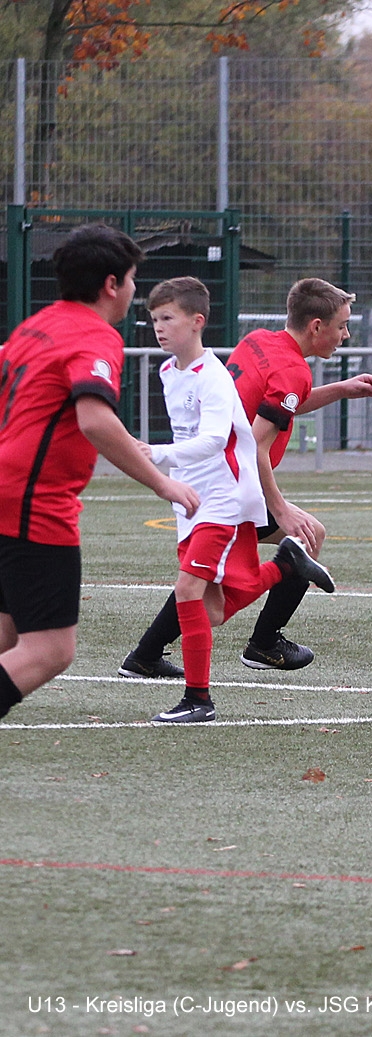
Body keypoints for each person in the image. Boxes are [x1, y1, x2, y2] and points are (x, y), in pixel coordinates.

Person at [118, 277, 372, 679]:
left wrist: (341, 389)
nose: (345, 335)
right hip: (227, 484)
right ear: (316, 326)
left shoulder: (258, 341)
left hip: (206, 477)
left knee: (202, 579)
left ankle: (148, 655)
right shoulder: (293, 370)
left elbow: (279, 404)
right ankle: (262, 646)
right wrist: (280, 509)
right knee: (299, 540)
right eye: (342, 325)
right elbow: (257, 446)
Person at [0, 224, 201, 721]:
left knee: (5, 636)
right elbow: (93, 418)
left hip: (6, 494)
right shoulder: (94, 335)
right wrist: (162, 481)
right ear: (112, 284)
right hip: (32, 503)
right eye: (132, 279)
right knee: (50, 649)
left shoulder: (34, 327)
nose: (134, 290)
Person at [135, 278, 336, 723]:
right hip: (192, 497)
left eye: (167, 318)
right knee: (210, 609)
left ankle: (198, 699)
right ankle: (284, 568)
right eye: (154, 320)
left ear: (197, 321)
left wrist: (155, 454)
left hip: (224, 494)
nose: (158, 328)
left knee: (189, 590)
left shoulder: (213, 376)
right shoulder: (169, 373)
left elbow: (214, 440)